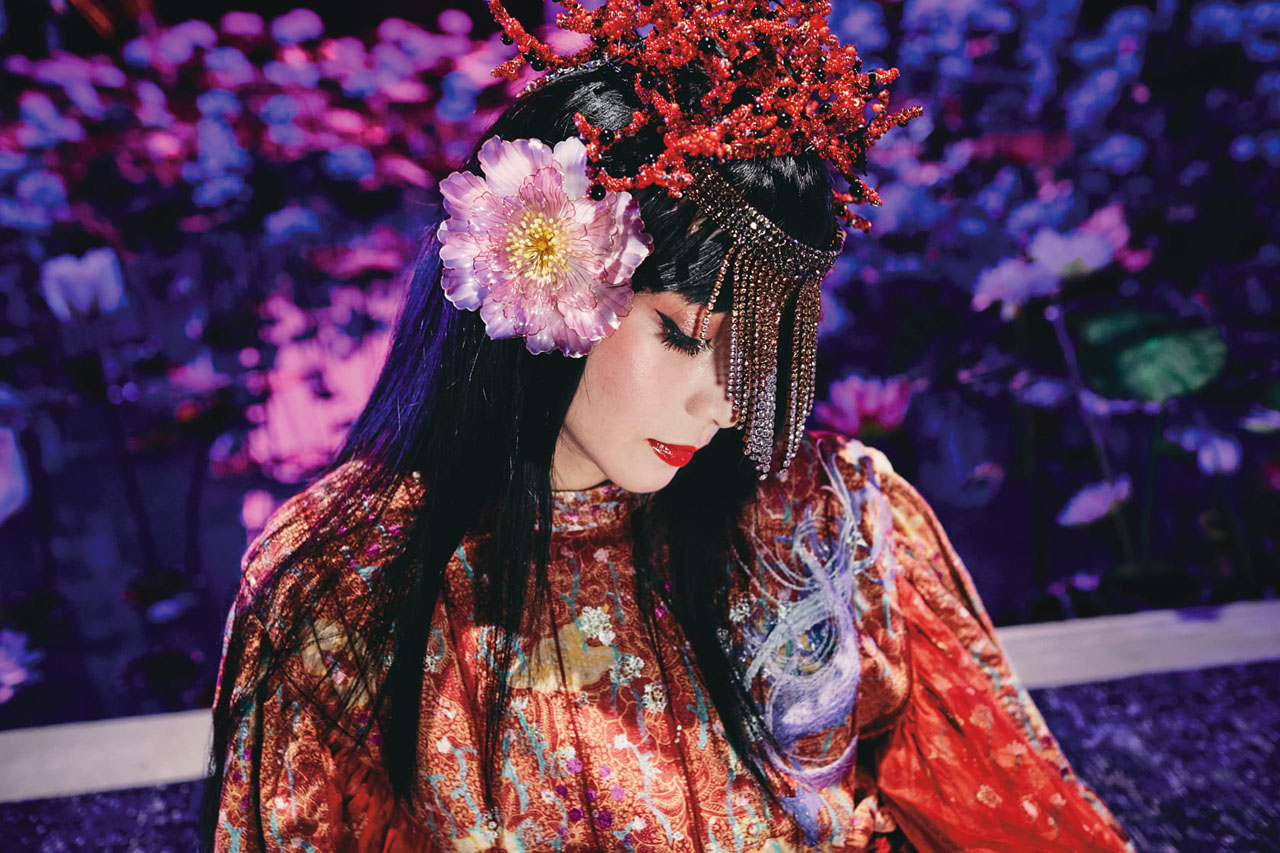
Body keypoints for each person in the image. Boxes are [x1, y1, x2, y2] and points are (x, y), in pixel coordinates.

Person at [203, 2, 1133, 850]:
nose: (727, 404)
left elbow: (1019, 819)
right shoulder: (348, 582)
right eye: (685, 335)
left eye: (760, 350)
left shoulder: (835, 520)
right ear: (540, 271)